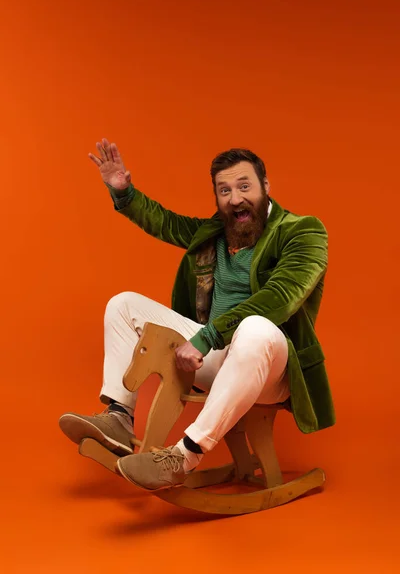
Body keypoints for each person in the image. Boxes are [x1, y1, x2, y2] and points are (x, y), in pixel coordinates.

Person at [59, 138, 335, 491]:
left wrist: (205, 337)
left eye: (244, 186)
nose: (235, 199)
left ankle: (184, 456)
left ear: (266, 187)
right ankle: (118, 417)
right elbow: (166, 223)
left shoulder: (302, 231)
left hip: (271, 366)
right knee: (123, 303)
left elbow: (280, 298)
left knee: (255, 327)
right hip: (214, 357)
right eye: (224, 190)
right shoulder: (216, 232)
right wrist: (124, 192)